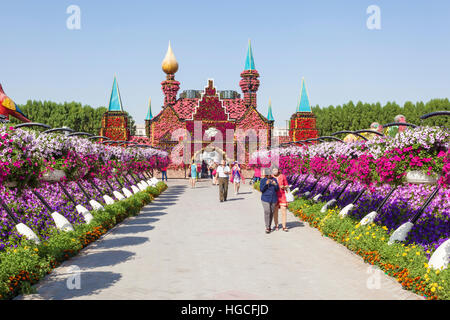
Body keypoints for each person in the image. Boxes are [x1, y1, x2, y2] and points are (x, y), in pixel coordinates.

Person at [260, 168, 279, 234]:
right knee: (267, 211)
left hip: (273, 198)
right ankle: (267, 227)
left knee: (271, 212)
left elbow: (277, 189)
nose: (269, 176)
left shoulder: (274, 179)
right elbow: (261, 189)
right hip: (265, 199)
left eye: (270, 174)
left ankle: (269, 226)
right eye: (268, 174)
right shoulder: (263, 180)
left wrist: (275, 184)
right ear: (266, 174)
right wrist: (266, 184)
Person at [272, 167, 289, 232]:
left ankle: (284, 226)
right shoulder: (270, 177)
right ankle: (276, 225)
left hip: (282, 196)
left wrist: (284, 187)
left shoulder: (283, 176)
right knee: (275, 212)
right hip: (274, 196)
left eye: (275, 170)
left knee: (284, 210)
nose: (274, 171)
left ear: (278, 170)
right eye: (273, 170)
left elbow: (287, 185)